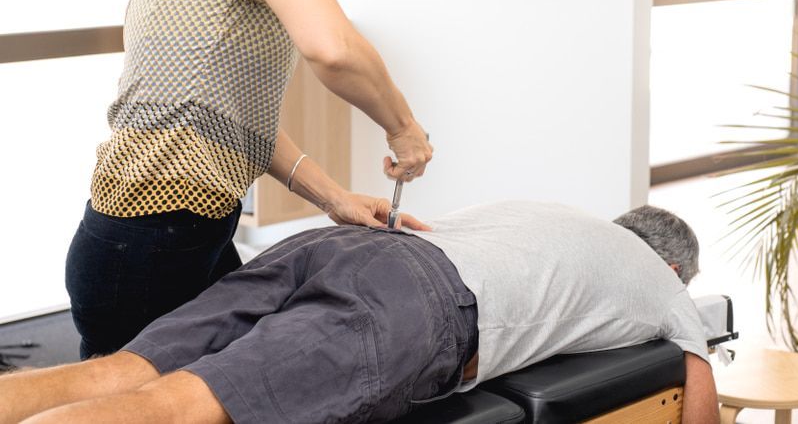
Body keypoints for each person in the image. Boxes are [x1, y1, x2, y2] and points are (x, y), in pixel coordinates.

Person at [65, 0, 433, 360]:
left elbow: (226, 117)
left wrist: (333, 197)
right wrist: (404, 128)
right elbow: (332, 49)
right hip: (154, 242)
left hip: (167, 233)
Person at [2, 202, 720, 424]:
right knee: (179, 404)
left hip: (343, 245)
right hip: (414, 303)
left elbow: (432, 235)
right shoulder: (662, 287)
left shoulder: (553, 214)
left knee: (120, 370)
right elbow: (697, 397)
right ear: (673, 268)